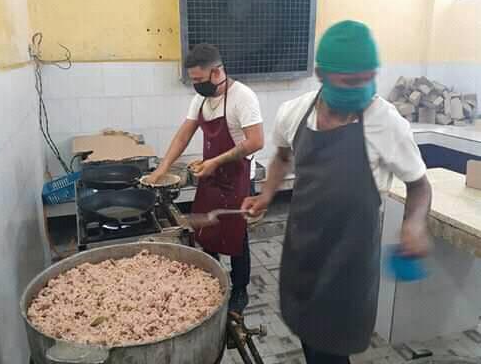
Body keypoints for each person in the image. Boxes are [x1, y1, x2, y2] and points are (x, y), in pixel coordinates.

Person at [242, 21, 432, 364]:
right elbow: (283, 156)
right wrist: (267, 194)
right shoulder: (294, 113)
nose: (363, 89)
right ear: (321, 74)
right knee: (309, 339)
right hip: (303, 252)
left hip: (349, 265)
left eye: (368, 78)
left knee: (331, 350)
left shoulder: (387, 123)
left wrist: (414, 224)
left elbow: (419, 185)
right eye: (350, 81)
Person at [147, 43, 264, 313]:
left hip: (238, 176)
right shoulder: (200, 99)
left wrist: (215, 161)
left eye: (198, 79)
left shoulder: (242, 97)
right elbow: (184, 134)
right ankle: (211, 281)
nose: (195, 85)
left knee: (236, 235)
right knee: (206, 229)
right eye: (192, 80)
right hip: (211, 174)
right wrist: (162, 168)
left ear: (217, 72)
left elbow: (256, 141)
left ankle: (240, 289)